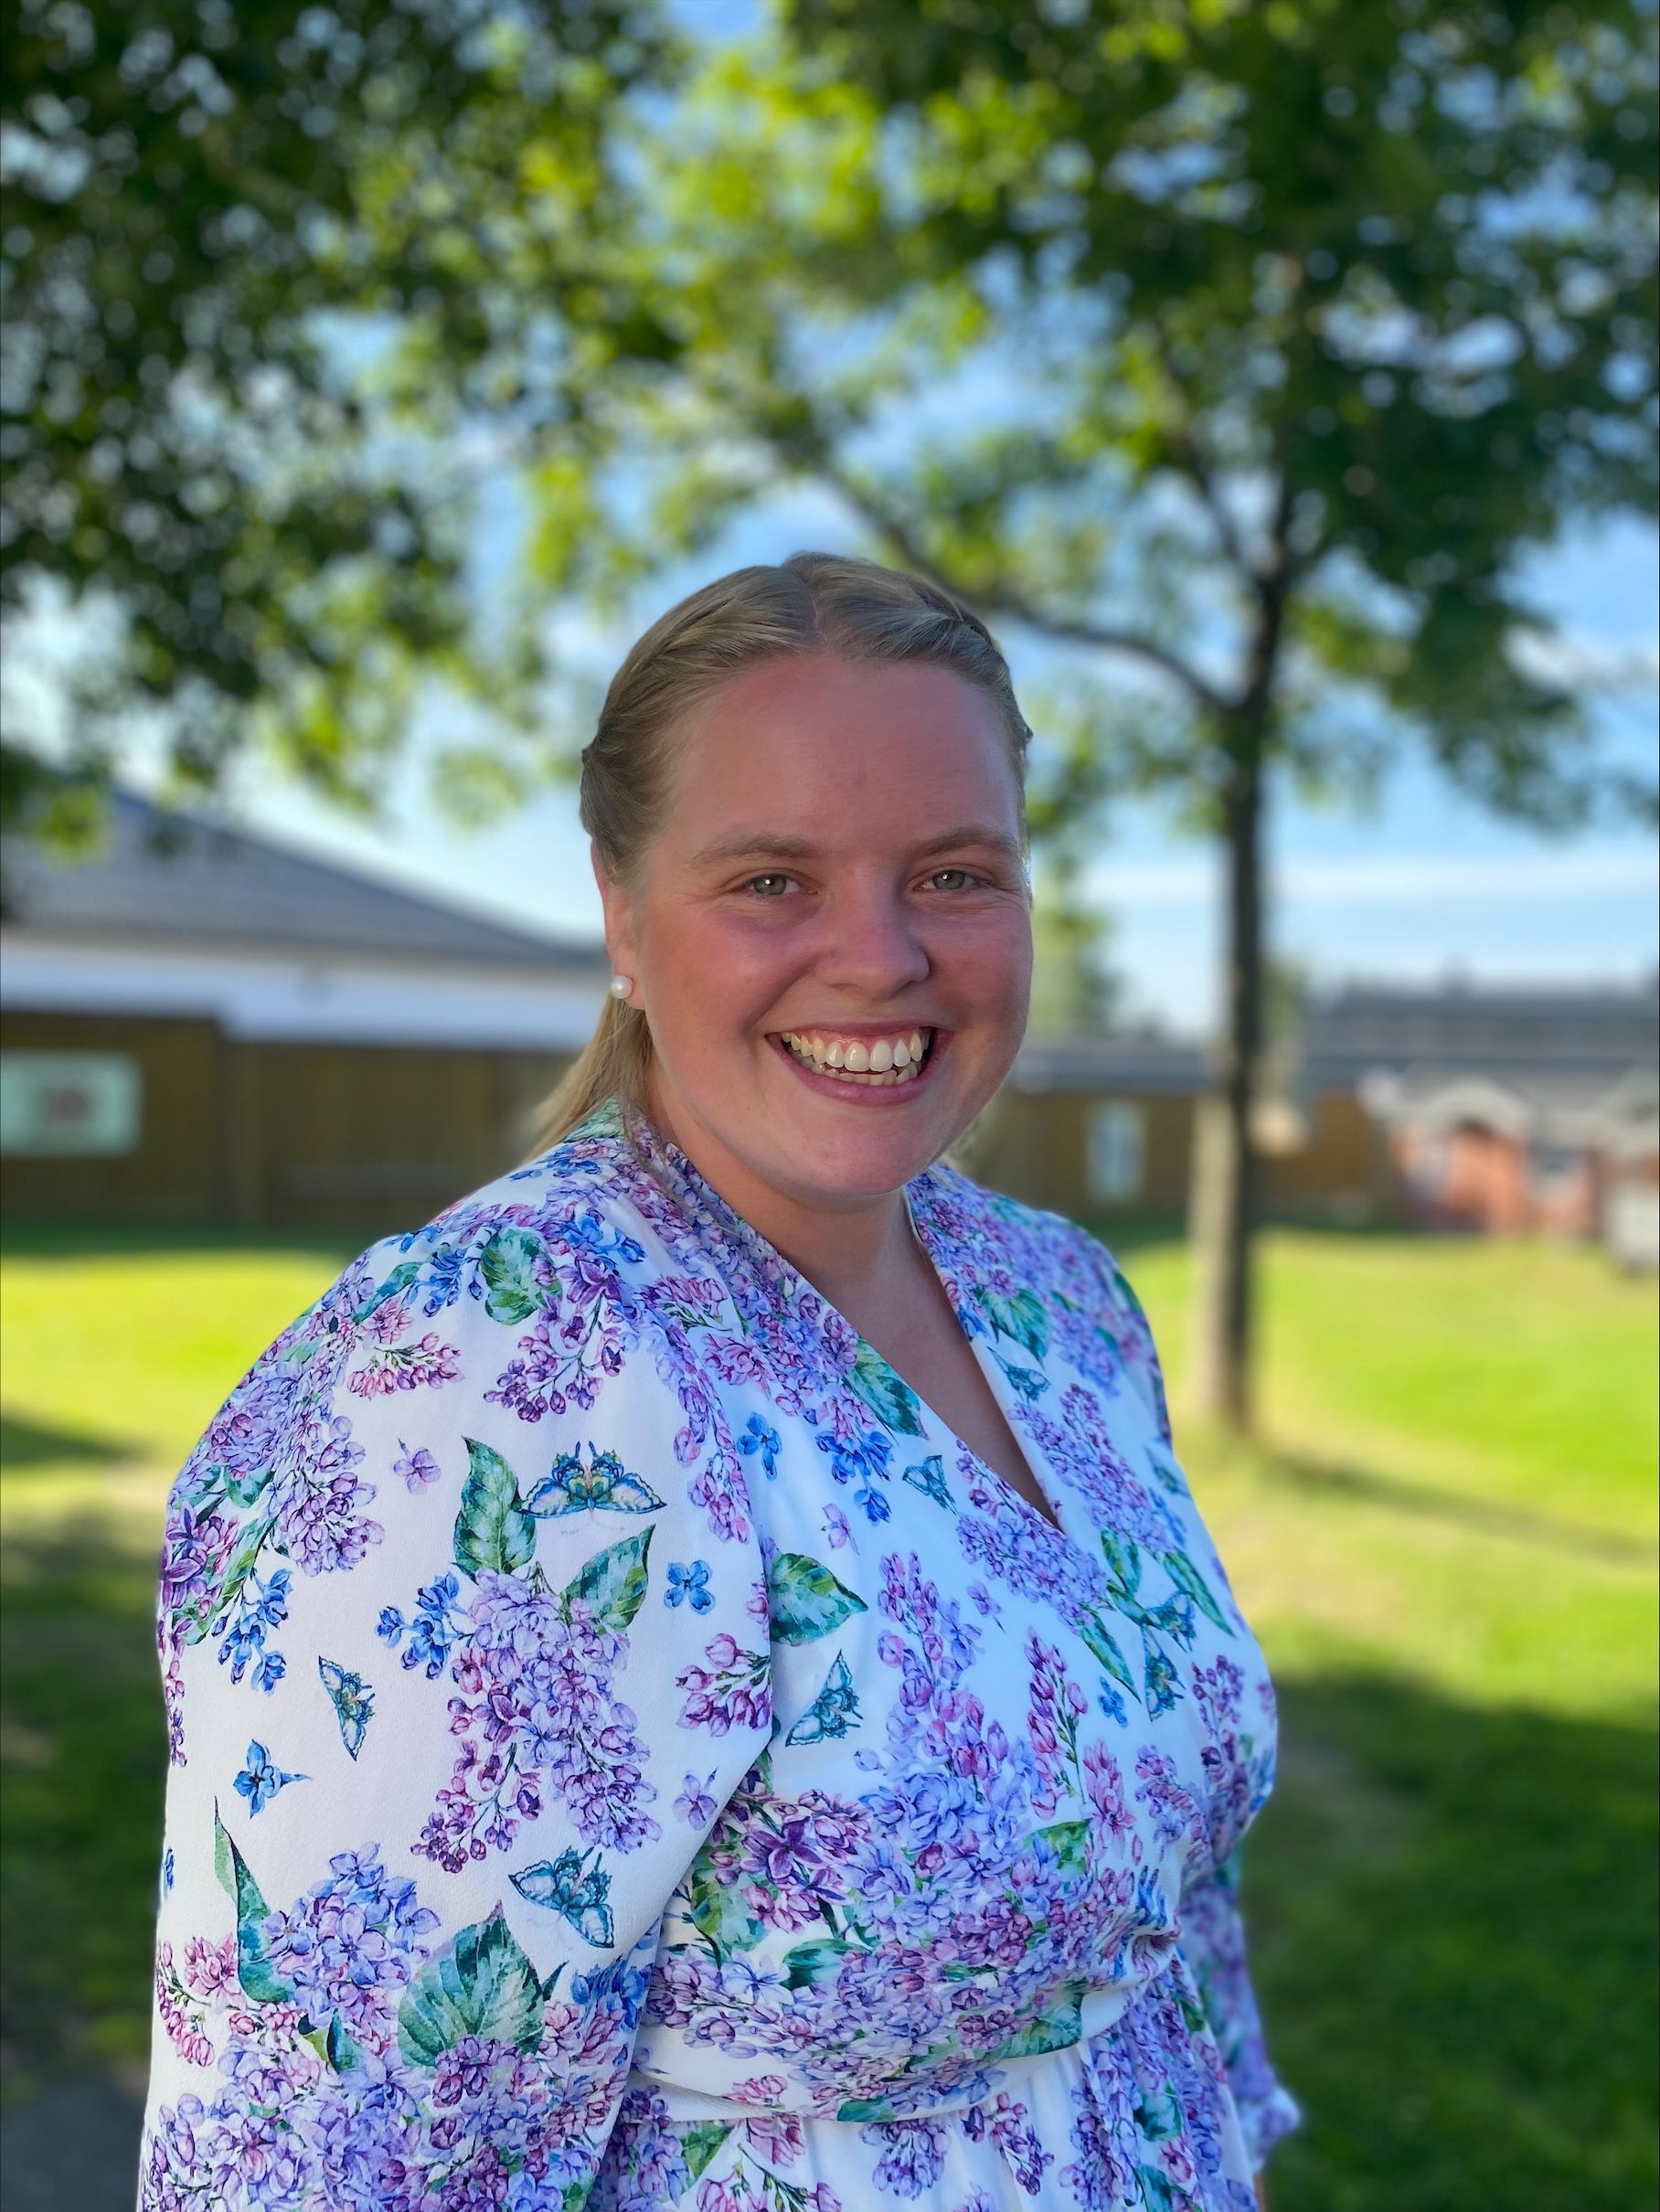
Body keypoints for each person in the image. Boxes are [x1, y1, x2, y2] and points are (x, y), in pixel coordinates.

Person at [141, 554, 1299, 2211]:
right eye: (772, 880)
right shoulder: (493, 1376)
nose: (879, 957)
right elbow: (335, 2146)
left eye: (955, 873)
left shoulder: (1062, 1301)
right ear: (623, 915)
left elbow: (1166, 1912)